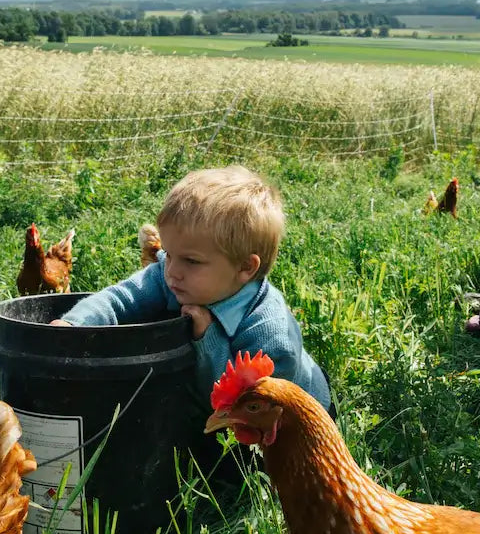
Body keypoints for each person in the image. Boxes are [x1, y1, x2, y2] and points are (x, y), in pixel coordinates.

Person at [52, 166, 333, 416]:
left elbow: (236, 410)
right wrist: (73, 325)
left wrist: (208, 340)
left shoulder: (270, 336)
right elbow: (120, 298)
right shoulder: (176, 276)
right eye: (169, 254)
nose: (171, 269)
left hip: (287, 424)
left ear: (246, 267)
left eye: (191, 260)